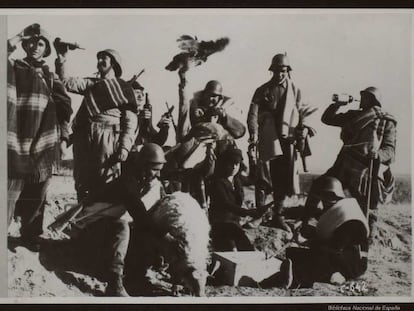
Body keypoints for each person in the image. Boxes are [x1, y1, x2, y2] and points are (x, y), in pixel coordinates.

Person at [69, 143, 167, 296]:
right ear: (143, 165)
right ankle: (114, 283)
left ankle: (138, 276)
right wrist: (165, 236)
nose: (158, 174)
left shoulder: (144, 182)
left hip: (106, 235)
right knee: (122, 227)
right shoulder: (126, 183)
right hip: (88, 235)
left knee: (140, 232)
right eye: (155, 169)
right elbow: (139, 213)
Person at [7, 23, 72, 250]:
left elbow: (64, 108)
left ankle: (30, 234)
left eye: (41, 43)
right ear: (25, 44)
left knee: (39, 189)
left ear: (46, 50)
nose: (36, 46)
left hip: (44, 140)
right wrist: (16, 37)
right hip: (17, 135)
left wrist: (64, 138)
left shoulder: (49, 75)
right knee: (11, 187)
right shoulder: (13, 68)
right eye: (32, 41)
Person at [54, 45, 138, 202]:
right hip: (83, 137)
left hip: (108, 137)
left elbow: (130, 120)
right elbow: (64, 82)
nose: (99, 61)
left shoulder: (124, 88)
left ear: (113, 63)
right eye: (98, 58)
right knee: (82, 181)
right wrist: (62, 58)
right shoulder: (91, 84)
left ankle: (103, 221)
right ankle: (85, 221)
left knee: (106, 182)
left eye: (103, 59)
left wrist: (125, 146)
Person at [260, 176, 369, 289]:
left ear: (331, 197)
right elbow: (331, 240)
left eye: (323, 199)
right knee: (293, 253)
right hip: (340, 255)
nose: (321, 203)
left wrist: (306, 242)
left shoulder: (350, 219)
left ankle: (296, 280)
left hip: (352, 264)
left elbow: (332, 249)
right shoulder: (339, 212)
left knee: (316, 262)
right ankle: (329, 274)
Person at [321, 86, 397, 229]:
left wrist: (378, 154)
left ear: (374, 101)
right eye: (362, 96)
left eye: (366, 97)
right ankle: (312, 221)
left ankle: (368, 232)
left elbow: (390, 150)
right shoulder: (353, 116)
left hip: (368, 166)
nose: (362, 99)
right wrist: (337, 105)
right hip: (346, 162)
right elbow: (327, 119)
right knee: (323, 185)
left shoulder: (387, 121)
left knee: (368, 206)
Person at [247, 53, 306, 231]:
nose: (280, 74)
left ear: (288, 71)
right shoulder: (262, 90)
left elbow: (302, 113)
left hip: (288, 140)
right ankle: (259, 215)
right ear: (272, 71)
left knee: (283, 178)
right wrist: (254, 134)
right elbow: (252, 114)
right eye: (277, 71)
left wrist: (304, 130)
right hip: (267, 137)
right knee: (262, 177)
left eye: (283, 70)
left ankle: (277, 215)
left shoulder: (295, 90)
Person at [208, 147, 267, 251]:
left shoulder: (237, 180)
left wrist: (252, 158)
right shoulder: (217, 182)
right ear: (224, 164)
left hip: (234, 224)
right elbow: (226, 204)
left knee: (248, 250)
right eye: (231, 163)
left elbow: (252, 179)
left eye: (237, 164)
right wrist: (248, 212)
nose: (234, 167)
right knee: (232, 252)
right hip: (220, 225)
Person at [130, 81, 171, 149]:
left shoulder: (143, 113)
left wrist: (164, 126)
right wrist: (138, 118)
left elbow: (156, 142)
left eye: (142, 94)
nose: (140, 96)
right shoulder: (120, 113)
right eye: (137, 93)